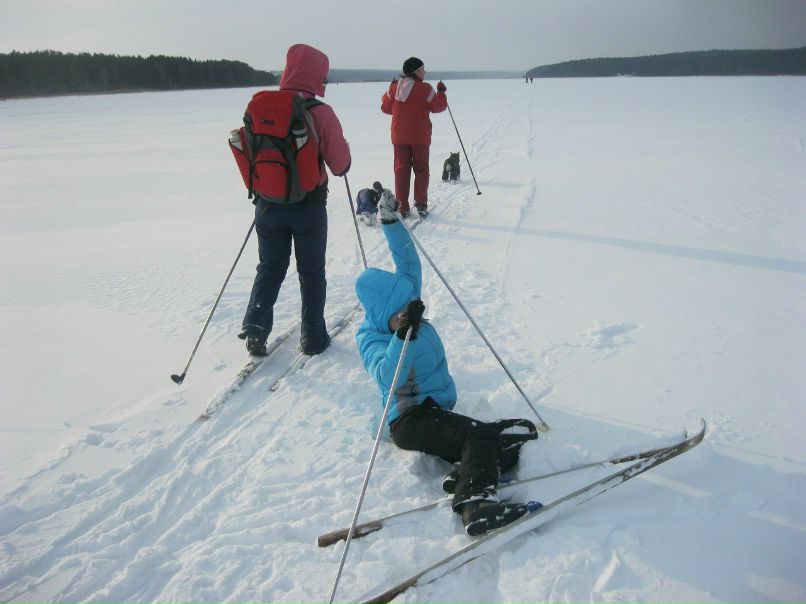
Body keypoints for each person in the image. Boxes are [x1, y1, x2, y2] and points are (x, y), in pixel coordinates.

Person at [354, 185, 541, 536]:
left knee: (500, 437)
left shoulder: (405, 299)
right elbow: (386, 376)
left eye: (408, 308)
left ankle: (462, 475)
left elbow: (408, 261)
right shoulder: (372, 337)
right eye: (399, 315)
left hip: (434, 408)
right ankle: (475, 504)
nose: (407, 315)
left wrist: (391, 221)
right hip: (408, 419)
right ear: (382, 317)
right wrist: (401, 336)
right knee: (477, 438)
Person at [240, 44, 351, 357]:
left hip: (267, 204)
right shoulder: (320, 112)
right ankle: (313, 338)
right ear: (317, 75)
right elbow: (340, 165)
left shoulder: (259, 107)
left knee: (270, 266)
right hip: (308, 205)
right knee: (311, 271)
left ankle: (256, 328)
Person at [380, 57, 448, 219]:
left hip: (399, 137)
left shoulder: (395, 88)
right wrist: (441, 93)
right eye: (422, 70)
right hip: (420, 138)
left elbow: (385, 108)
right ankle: (421, 203)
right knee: (421, 169)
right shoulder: (425, 89)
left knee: (401, 171)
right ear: (416, 71)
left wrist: (390, 88)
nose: (425, 72)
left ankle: (402, 207)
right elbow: (438, 107)